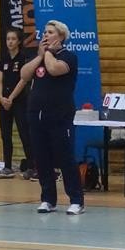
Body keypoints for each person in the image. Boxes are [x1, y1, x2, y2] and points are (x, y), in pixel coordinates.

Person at [21, 20, 83, 215]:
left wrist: (47, 53)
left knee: (65, 158)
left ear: (61, 36)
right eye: (44, 32)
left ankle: (76, 201)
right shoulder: (40, 57)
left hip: (60, 115)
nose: (45, 35)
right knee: (42, 159)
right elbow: (24, 74)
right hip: (36, 115)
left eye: (49, 32)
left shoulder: (68, 57)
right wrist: (40, 56)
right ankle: (48, 199)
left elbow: (54, 69)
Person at [0, 28, 32, 179]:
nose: (10, 42)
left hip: (19, 101)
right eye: (8, 39)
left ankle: (31, 167)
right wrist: (1, 97)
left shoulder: (23, 58)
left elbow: (23, 80)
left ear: (19, 41)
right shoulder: (4, 59)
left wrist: (11, 98)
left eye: (13, 39)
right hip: (4, 102)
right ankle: (7, 166)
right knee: (5, 135)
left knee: (24, 134)